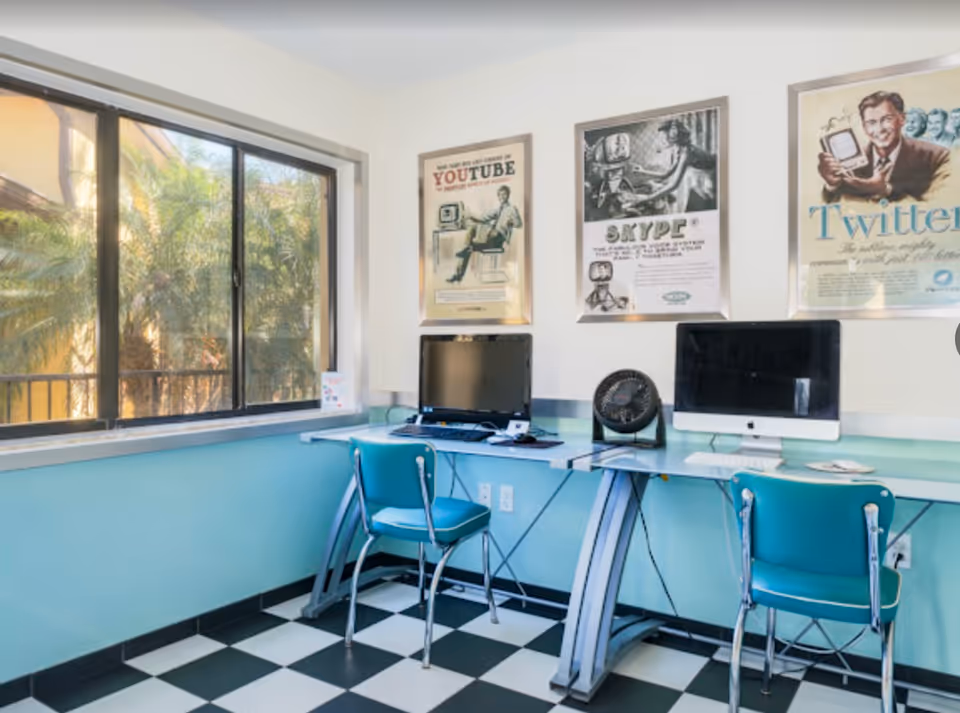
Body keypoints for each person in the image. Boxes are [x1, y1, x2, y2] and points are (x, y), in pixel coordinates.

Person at [818, 91, 950, 203]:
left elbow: (938, 205)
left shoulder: (935, 157)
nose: (879, 129)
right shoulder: (850, 163)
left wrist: (886, 190)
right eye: (871, 122)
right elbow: (832, 207)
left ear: (902, 119)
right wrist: (832, 184)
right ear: (864, 127)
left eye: (887, 119)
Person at [624, 118, 717, 214]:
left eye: (663, 137)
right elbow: (666, 174)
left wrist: (645, 199)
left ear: (674, 136)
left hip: (717, 173)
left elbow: (673, 186)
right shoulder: (678, 149)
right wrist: (642, 171)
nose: (661, 140)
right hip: (703, 177)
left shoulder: (686, 153)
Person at [447, 185, 522, 283]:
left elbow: (519, 224)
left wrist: (511, 222)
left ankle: (460, 268)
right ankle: (459, 273)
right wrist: (470, 216)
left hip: (498, 238)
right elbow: (483, 217)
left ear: (508, 195)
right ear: (498, 197)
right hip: (490, 237)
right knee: (472, 230)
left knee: (479, 234)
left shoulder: (512, 209)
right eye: (500, 195)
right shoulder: (498, 210)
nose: (502, 197)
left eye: (504, 194)